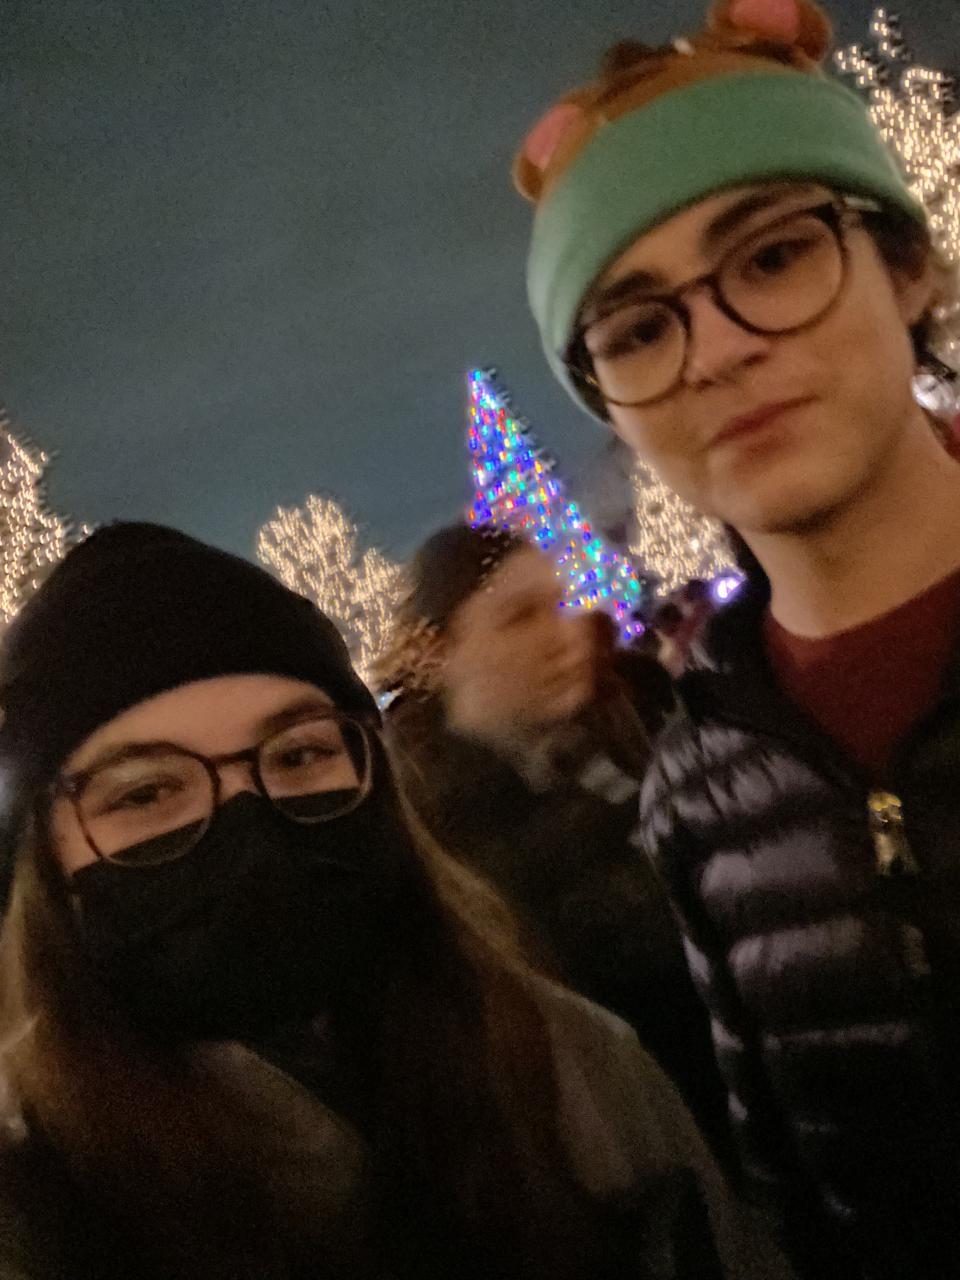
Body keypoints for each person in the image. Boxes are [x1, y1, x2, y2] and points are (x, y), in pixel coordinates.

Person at [0, 521, 787, 1280]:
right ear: (45, 855)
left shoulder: (566, 1065)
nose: (248, 830)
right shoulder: (30, 1198)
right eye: (144, 792)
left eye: (299, 753)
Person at [507, 0, 960, 1275]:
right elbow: (793, 1194)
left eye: (770, 258)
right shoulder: (695, 786)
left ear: (907, 268)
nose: (712, 352)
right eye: (640, 329)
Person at [377, 524, 727, 1153]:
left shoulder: (627, 743)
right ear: (441, 652)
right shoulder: (434, 853)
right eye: (519, 617)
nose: (563, 634)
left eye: (558, 605)